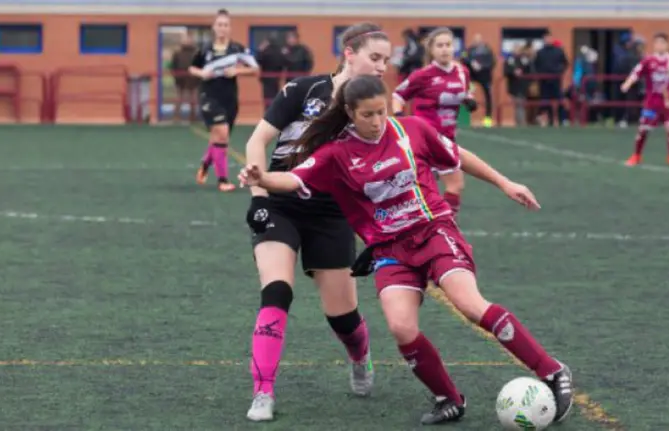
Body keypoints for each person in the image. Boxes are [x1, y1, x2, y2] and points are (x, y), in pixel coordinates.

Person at [239, 75, 574, 426]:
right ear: (350, 113)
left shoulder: (411, 129)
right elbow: (295, 179)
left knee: (470, 305)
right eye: (367, 115)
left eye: (381, 112)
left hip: (433, 232)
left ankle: (552, 371)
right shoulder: (336, 153)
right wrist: (261, 178)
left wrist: (505, 183)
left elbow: (457, 155)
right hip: (389, 249)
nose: (376, 122)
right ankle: (449, 398)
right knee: (401, 327)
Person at [242, 22, 391, 422]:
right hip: (281, 204)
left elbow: (379, 177)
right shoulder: (304, 90)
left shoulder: (374, 111)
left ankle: (360, 359)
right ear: (349, 53)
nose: (382, 68)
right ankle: (262, 393)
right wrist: (259, 197)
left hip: (332, 213)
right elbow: (257, 142)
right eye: (375, 58)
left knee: (342, 317)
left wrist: (375, 236)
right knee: (277, 291)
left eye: (386, 61)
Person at [391, 27, 477, 215]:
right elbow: (397, 95)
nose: (445, 49)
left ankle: (443, 225)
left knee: (453, 186)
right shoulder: (423, 75)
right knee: (446, 184)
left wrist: (469, 99)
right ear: (431, 50)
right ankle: (437, 225)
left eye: (448, 45)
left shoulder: (462, 71)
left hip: (448, 138)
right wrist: (399, 119)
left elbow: (465, 91)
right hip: (425, 139)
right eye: (440, 45)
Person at [188, 9, 259, 192]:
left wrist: (238, 71)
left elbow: (255, 69)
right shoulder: (205, 49)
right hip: (209, 96)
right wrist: (202, 73)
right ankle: (223, 181)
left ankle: (205, 165)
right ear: (214, 27)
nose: (222, 28)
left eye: (225, 25)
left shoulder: (237, 50)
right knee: (221, 132)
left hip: (229, 98)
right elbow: (192, 68)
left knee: (220, 137)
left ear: (230, 28)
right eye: (219, 24)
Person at [621, 33, 669, 167]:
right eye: (657, 43)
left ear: (667, 45)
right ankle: (636, 155)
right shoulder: (648, 61)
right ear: (654, 45)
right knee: (643, 128)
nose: (660, 45)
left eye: (662, 43)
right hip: (652, 100)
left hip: (668, 100)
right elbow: (636, 72)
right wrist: (627, 83)